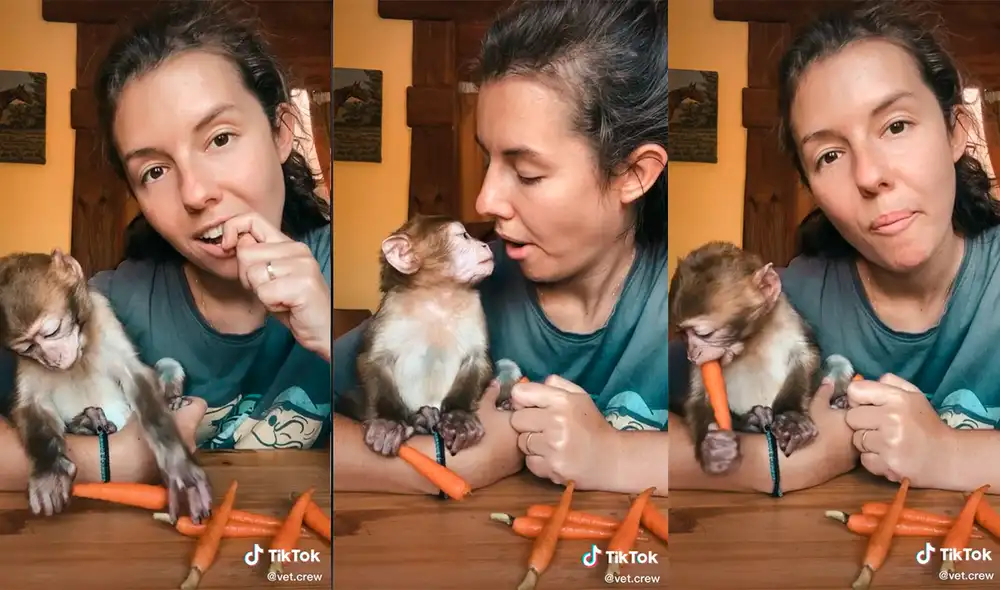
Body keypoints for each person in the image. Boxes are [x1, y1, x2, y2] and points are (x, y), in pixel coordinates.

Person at [333, 0, 668, 496]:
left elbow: (790, 443)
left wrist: (617, 457)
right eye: (487, 159)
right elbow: (298, 406)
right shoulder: (450, 295)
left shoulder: (685, 306)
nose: (484, 200)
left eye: (527, 172)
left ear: (632, 174)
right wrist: (441, 467)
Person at [669, 2, 1000, 495]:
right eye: (829, 155)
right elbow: (632, 409)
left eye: (896, 126)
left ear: (956, 132)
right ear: (810, 185)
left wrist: (949, 453)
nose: (869, 176)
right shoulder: (785, 302)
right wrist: (778, 466)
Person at [0, 2, 332, 490]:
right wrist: (125, 460)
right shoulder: (104, 307)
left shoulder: (344, 264)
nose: (195, 194)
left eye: (220, 139)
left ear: (281, 134)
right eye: (154, 171)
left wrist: (326, 330)